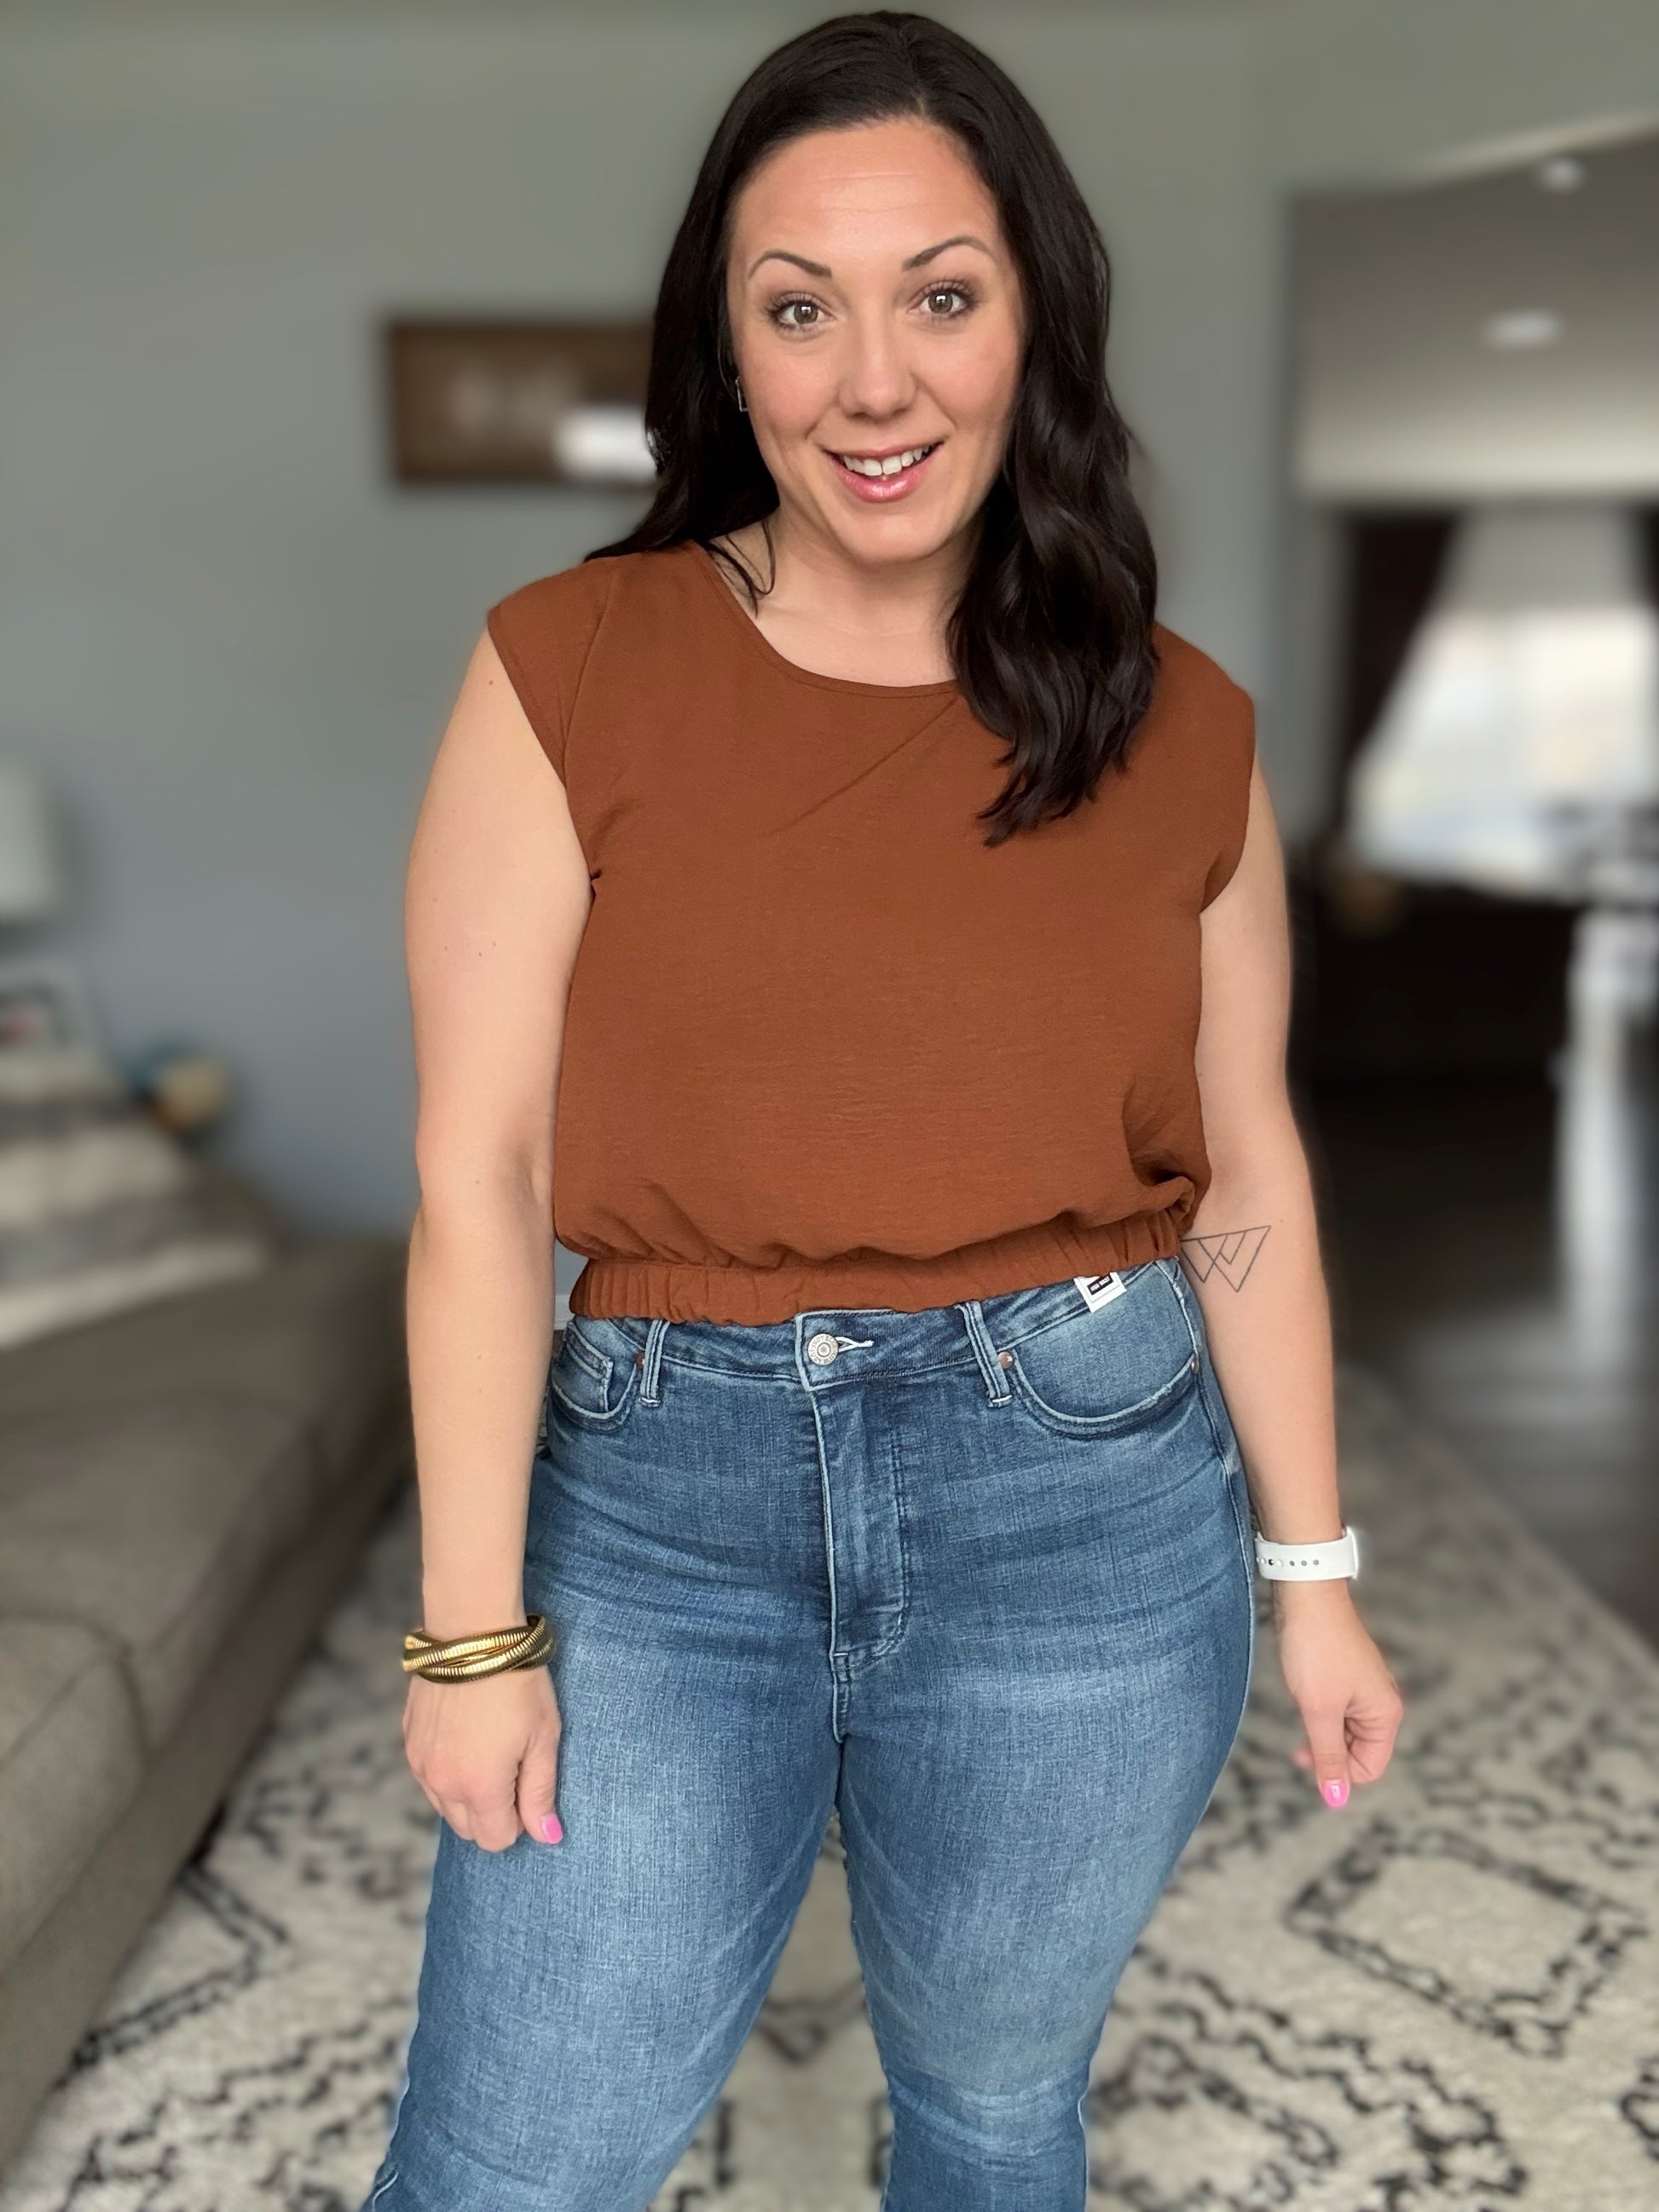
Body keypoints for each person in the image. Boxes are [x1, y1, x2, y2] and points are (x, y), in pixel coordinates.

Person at [361, 12, 1403, 2209]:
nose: (871, 382)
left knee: (996, 2113)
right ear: (726, 351)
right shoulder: (571, 665)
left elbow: (1244, 1173)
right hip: (659, 1503)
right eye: (798, 308)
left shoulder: (1182, 725)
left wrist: (1313, 1576)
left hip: (1085, 1501)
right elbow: (476, 1176)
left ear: (1036, 321)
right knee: (504, 2168)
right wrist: (472, 1634)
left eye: (939, 295)